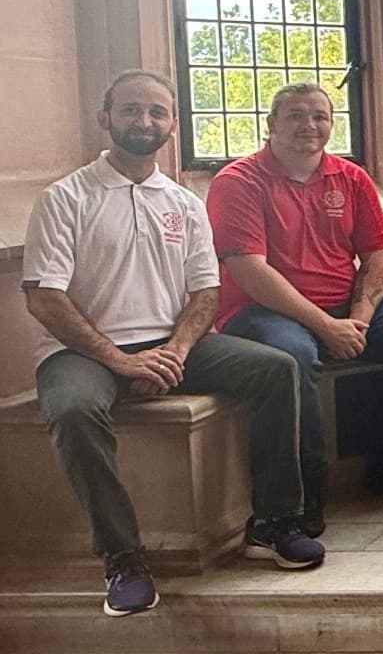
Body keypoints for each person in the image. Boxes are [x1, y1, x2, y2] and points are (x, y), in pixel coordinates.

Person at [23, 71, 325, 616]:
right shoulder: (66, 198)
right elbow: (44, 299)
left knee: (276, 368)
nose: (145, 121)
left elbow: (205, 292)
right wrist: (119, 359)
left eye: (157, 112)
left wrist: (178, 351)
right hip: (83, 354)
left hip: (173, 342)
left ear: (172, 125)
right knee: (72, 410)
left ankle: (275, 521)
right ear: (105, 118)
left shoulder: (183, 203)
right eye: (132, 110)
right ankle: (123, 557)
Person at [213, 82, 383, 538]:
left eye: (320, 116)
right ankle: (303, 494)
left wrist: (359, 315)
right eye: (297, 116)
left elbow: (378, 256)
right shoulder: (238, 181)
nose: (310, 125)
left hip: (346, 301)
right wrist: (326, 326)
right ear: (271, 125)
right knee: (292, 359)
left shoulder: (351, 177)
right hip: (264, 309)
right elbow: (249, 271)